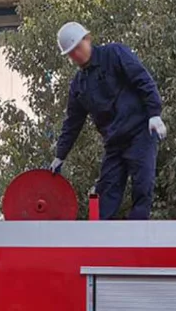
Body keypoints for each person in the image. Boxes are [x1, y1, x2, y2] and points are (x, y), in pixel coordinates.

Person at [51, 23, 166, 220]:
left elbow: (142, 79)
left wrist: (154, 113)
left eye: (78, 47)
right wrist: (59, 156)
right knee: (106, 194)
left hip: (140, 133)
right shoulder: (79, 85)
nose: (76, 54)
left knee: (142, 185)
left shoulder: (114, 54)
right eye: (71, 53)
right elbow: (72, 123)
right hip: (114, 143)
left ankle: (137, 237)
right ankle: (99, 242)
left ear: (88, 39)